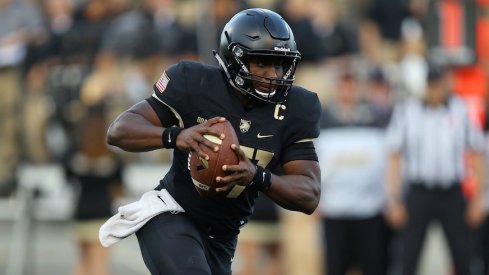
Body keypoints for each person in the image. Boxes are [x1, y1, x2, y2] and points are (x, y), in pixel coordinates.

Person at [102, 8, 322, 275]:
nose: (273, 74)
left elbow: (309, 194)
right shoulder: (194, 82)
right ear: (234, 59)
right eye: (261, 62)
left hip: (222, 237)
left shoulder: (297, 106)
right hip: (172, 213)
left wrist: (256, 176)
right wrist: (175, 136)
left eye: (280, 64)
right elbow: (119, 130)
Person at [384, 63, 486, 275]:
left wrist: (479, 199)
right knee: (408, 257)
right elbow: (394, 155)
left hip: (452, 192)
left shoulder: (461, 110)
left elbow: (477, 153)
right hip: (420, 192)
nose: (435, 91)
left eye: (438, 85)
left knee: (463, 256)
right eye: (431, 85)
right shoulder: (407, 112)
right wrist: (392, 199)